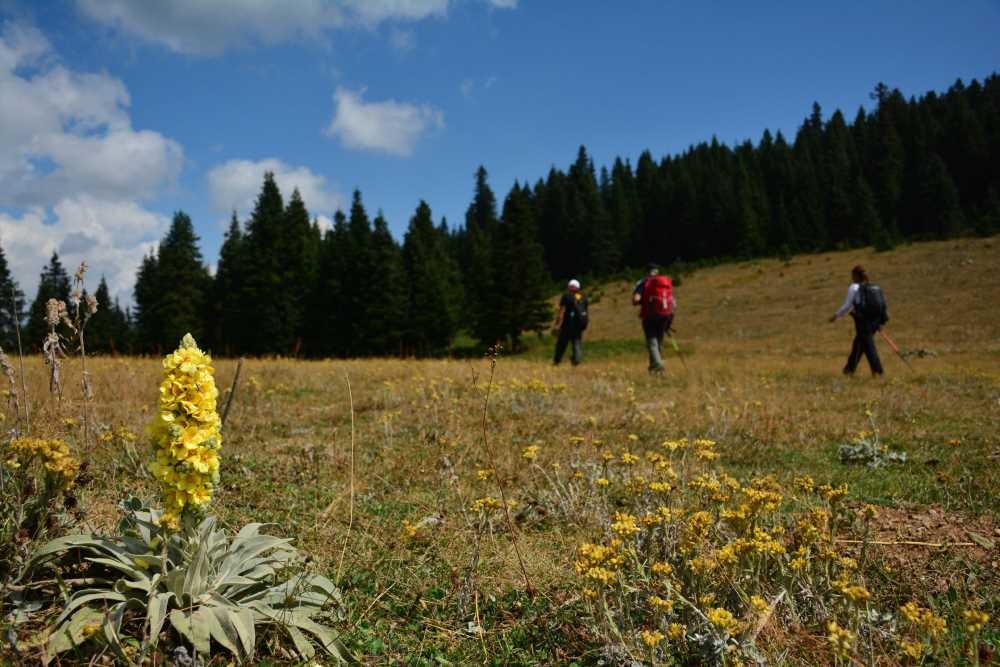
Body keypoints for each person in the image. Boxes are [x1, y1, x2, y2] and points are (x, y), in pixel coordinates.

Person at [829, 264, 885, 377]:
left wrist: (836, 315)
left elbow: (847, 305)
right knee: (859, 344)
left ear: (855, 275)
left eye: (852, 275)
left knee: (868, 347)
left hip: (863, 322)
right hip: (875, 321)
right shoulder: (873, 286)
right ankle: (849, 370)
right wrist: (879, 322)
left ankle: (878, 372)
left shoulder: (854, 287)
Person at [632, 263, 676, 373]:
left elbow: (636, 299)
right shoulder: (664, 282)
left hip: (649, 316)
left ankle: (658, 366)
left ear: (646, 271)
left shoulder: (643, 282)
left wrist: (638, 302)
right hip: (664, 316)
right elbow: (672, 302)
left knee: (652, 342)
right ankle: (654, 369)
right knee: (659, 342)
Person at [552, 279, 588, 366]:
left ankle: (557, 361)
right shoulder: (583, 296)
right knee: (576, 342)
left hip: (567, 324)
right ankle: (577, 359)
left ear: (569, 287)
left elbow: (562, 311)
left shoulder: (566, 296)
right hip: (579, 324)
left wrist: (557, 324)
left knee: (562, 343)